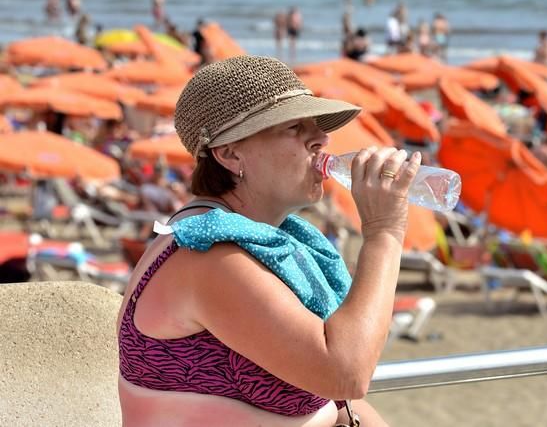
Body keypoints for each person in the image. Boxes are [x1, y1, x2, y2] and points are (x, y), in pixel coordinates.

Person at [117, 55, 419, 426]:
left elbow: (337, 401)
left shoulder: (253, 242)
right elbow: (346, 371)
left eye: (317, 126)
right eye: (294, 127)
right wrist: (385, 231)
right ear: (229, 154)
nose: (321, 139)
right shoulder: (210, 257)